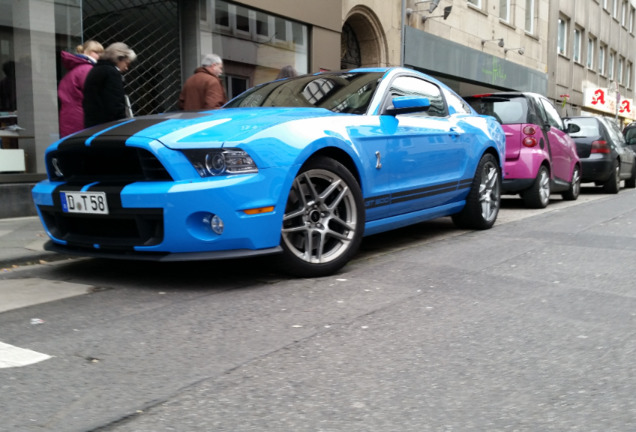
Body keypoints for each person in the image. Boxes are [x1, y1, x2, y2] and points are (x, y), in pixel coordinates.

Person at [83, 42, 136, 128]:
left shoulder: (96, 69)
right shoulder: (112, 73)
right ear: (120, 58)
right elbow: (115, 103)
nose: (126, 68)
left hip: (93, 124)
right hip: (109, 125)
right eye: (127, 63)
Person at [57, 40, 104, 137]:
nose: (100, 56)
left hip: (68, 118)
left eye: (101, 53)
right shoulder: (87, 69)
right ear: (86, 52)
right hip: (82, 119)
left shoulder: (72, 71)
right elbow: (93, 96)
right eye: (96, 52)